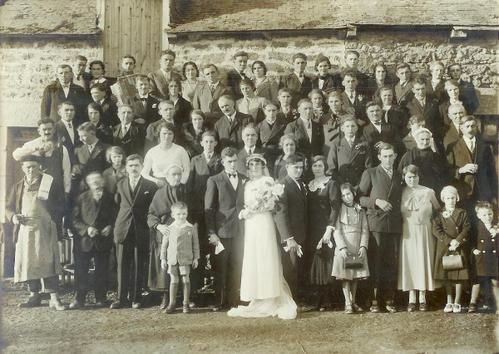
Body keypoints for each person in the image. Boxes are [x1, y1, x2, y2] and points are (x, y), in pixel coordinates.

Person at [227, 154, 297, 320]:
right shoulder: (247, 184)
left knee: (266, 256)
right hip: (251, 225)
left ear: (263, 166)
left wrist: (256, 208)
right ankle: (257, 297)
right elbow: (242, 203)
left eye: (258, 165)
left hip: (264, 222)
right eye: (251, 166)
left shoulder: (268, 182)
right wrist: (245, 212)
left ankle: (270, 296)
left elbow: (272, 204)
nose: (254, 168)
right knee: (253, 258)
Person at [5, 155, 66, 310]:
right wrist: (14, 217)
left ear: (40, 167)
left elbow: (62, 205)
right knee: (28, 262)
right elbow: (8, 207)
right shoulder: (18, 186)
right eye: (27, 167)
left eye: (33, 166)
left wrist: (53, 220)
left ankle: (54, 298)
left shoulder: (50, 184)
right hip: (26, 228)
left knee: (48, 261)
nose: (30, 170)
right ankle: (34, 295)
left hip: (45, 227)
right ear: (23, 168)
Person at [358, 143, 403, 313]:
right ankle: (374, 299)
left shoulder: (399, 175)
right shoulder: (370, 173)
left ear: (395, 156)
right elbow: (359, 198)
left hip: (394, 224)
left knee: (391, 263)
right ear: (379, 157)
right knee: (375, 263)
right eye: (385, 156)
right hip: (376, 224)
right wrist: (376, 202)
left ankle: (389, 298)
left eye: (391, 156)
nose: (388, 159)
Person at [111, 154, 157, 309]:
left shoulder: (150, 186)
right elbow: (116, 205)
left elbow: (152, 208)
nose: (134, 168)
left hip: (141, 229)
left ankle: (136, 298)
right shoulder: (120, 184)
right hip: (123, 228)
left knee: (139, 264)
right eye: (130, 166)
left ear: (142, 167)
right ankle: (121, 298)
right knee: (122, 264)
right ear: (126, 168)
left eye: (137, 165)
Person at [204, 147, 246, 311]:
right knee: (221, 267)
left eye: (235, 161)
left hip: (241, 231)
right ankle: (219, 301)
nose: (233, 164)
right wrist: (212, 233)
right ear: (223, 162)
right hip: (222, 231)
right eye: (229, 161)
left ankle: (234, 300)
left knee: (237, 265)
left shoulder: (245, 179)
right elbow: (209, 209)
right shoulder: (214, 180)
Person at [398, 164, 441, 312]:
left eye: (414, 176)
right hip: (407, 232)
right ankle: (411, 298)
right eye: (409, 177)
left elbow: (439, 210)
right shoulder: (401, 192)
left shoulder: (429, 192)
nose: (412, 180)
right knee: (410, 263)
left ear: (419, 176)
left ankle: (422, 298)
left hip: (425, 231)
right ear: (404, 177)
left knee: (423, 261)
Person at [70, 172, 116, 309]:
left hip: (103, 239)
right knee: (81, 270)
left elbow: (116, 215)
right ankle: (80, 299)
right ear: (88, 183)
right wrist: (86, 229)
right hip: (84, 241)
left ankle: (101, 298)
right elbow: (74, 220)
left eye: (98, 180)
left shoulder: (110, 198)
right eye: (92, 181)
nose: (95, 183)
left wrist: (110, 226)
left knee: (102, 270)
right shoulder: (81, 198)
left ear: (103, 182)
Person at [186, 130, 223, 293]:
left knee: (217, 248)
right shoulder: (195, 160)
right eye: (206, 141)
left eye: (211, 141)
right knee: (198, 248)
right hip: (198, 212)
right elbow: (189, 187)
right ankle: (196, 287)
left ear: (215, 143)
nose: (208, 144)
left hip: (217, 211)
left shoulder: (221, 160)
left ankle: (217, 287)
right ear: (201, 143)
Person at [306, 156, 340, 311]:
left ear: (325, 167)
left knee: (326, 262)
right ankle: (316, 299)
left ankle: (328, 299)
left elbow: (335, 207)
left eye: (320, 165)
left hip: (325, 228)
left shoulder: (331, 183)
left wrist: (329, 228)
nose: (317, 168)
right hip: (311, 229)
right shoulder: (309, 185)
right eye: (314, 165)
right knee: (314, 261)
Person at [331, 183, 369, 314]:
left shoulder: (360, 210)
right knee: (346, 277)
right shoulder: (339, 210)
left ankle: (354, 301)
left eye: (348, 194)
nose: (346, 197)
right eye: (343, 195)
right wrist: (342, 247)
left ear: (353, 194)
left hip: (357, 246)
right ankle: (347, 302)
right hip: (345, 246)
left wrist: (363, 246)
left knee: (355, 276)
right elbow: (337, 231)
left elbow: (365, 230)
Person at [432, 186, 471, 313]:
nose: (451, 200)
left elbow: (466, 228)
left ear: (457, 198)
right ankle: (449, 301)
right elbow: (436, 229)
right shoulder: (439, 213)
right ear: (443, 199)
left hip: (458, 246)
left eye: (453, 198)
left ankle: (457, 301)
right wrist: (450, 241)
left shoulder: (462, 212)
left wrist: (457, 240)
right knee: (447, 275)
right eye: (448, 198)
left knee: (459, 275)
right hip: (445, 247)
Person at [13, 118, 71, 198]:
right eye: (44, 129)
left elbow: (67, 172)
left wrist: (66, 191)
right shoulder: (32, 145)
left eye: (49, 129)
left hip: (55, 188)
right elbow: (16, 156)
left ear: (54, 130)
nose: (47, 132)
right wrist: (34, 149)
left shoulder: (61, 148)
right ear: (39, 131)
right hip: (36, 188)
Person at [277, 154, 308, 303]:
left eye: (301, 167)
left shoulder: (301, 184)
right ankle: (290, 300)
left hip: (301, 234)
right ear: (287, 167)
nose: (299, 170)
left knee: (298, 269)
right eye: (296, 167)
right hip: (290, 237)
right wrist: (289, 238)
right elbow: (280, 213)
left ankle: (296, 299)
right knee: (291, 268)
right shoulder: (283, 185)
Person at [447, 115, 498, 206]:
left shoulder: (485, 147)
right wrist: (461, 170)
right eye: (467, 126)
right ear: (461, 128)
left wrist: (494, 194)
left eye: (473, 126)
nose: (470, 129)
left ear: (476, 127)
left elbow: (492, 172)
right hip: (463, 192)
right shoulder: (452, 147)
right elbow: (447, 171)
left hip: (483, 191)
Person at [160, 201, 200, 314]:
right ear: (173, 215)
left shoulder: (191, 228)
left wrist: (196, 258)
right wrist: (163, 259)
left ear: (187, 213)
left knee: (185, 279)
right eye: (178, 214)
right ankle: (172, 303)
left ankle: (185, 303)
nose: (181, 216)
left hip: (186, 259)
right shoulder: (169, 228)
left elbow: (195, 244)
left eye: (184, 213)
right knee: (174, 279)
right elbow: (164, 245)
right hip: (172, 259)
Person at [398, 127, 448, 193]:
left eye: (427, 139)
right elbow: (400, 173)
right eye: (422, 139)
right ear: (416, 139)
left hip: (432, 189)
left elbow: (442, 173)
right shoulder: (409, 155)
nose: (425, 142)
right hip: (414, 190)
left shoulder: (435, 155)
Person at [469, 202, 499, 314]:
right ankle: (472, 303)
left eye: (490, 214)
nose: (488, 217)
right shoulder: (476, 227)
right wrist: (473, 250)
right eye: (484, 215)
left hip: (493, 258)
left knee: (495, 281)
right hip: (481, 258)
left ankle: (497, 304)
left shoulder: (496, 225)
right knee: (477, 281)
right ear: (478, 215)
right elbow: (470, 241)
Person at [142, 122, 190, 186]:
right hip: (158, 185)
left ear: (173, 135)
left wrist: (180, 182)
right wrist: (155, 181)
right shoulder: (152, 152)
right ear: (159, 134)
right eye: (164, 133)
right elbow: (144, 173)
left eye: (170, 134)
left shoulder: (180, 150)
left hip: (177, 184)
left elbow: (187, 170)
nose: (167, 136)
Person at [326, 117, 371, 186]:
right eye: (347, 126)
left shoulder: (363, 144)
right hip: (341, 184)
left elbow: (368, 167)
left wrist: (361, 183)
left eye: (353, 126)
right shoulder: (336, 144)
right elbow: (331, 167)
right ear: (342, 128)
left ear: (357, 128)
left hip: (359, 183)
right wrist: (341, 183)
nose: (350, 129)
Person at [405, 76, 444, 145]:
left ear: (426, 88)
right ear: (413, 90)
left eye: (423, 88)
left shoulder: (434, 101)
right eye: (418, 89)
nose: (421, 92)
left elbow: (439, 120)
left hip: (433, 138)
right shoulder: (407, 104)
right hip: (416, 138)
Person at [72, 122, 110, 189]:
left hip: (100, 186)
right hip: (83, 188)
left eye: (84, 136)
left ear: (93, 133)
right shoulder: (78, 150)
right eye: (79, 136)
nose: (80, 139)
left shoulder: (106, 148)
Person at [257, 101, 287, 172]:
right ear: (264, 111)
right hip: (265, 154)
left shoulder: (283, 124)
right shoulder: (259, 126)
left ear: (278, 111)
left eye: (274, 110)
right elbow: (257, 143)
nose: (271, 113)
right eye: (269, 111)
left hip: (279, 153)